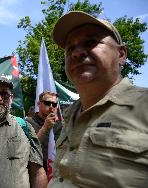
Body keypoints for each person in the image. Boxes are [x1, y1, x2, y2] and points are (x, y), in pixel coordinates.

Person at [49, 11, 148, 188]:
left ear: (121, 54)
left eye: (91, 42)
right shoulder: (69, 115)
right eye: (70, 49)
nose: (77, 53)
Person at [25, 91, 62, 171]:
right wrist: (45, 127)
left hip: (55, 170)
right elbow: (29, 148)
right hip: (36, 170)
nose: (51, 107)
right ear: (39, 104)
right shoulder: (28, 123)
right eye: (47, 103)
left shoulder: (60, 125)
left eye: (54, 104)